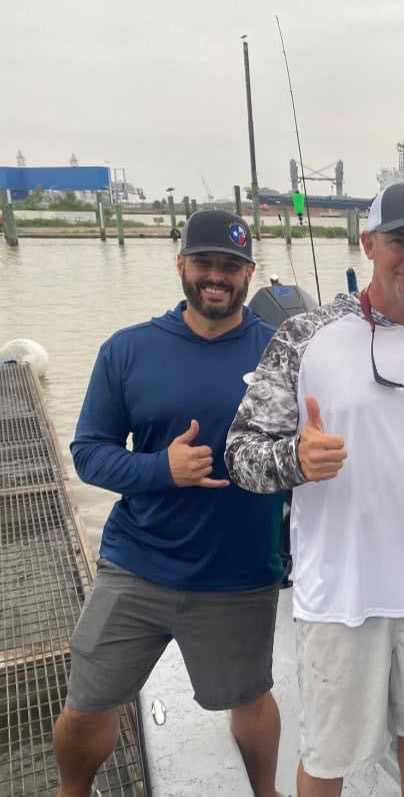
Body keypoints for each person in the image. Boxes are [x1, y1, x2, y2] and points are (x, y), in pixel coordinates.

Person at [224, 182, 404, 797]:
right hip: (340, 594)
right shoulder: (303, 338)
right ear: (368, 242)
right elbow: (240, 455)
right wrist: (294, 459)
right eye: (399, 241)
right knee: (328, 755)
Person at [53, 210, 285, 797]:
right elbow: (88, 453)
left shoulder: (282, 354)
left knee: (250, 699)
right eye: (204, 263)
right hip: (138, 565)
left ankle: (268, 792)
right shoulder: (127, 350)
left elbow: (309, 444)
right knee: (85, 704)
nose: (217, 277)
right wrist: (162, 469)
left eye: (230, 267)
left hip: (240, 572)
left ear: (248, 273)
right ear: (180, 264)